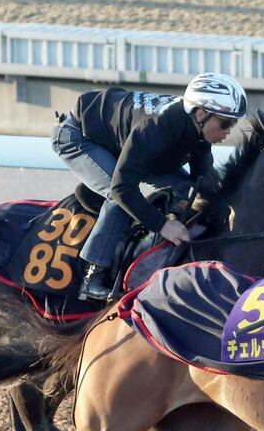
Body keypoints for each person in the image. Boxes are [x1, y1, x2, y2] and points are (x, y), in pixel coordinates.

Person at [51, 73, 248, 300]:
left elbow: (204, 179)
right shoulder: (154, 129)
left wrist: (230, 205)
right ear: (201, 113)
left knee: (189, 191)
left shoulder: (197, 127)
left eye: (232, 124)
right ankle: (92, 275)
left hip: (124, 138)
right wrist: (163, 225)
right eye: (225, 124)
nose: (228, 132)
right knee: (116, 200)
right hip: (78, 136)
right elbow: (121, 189)